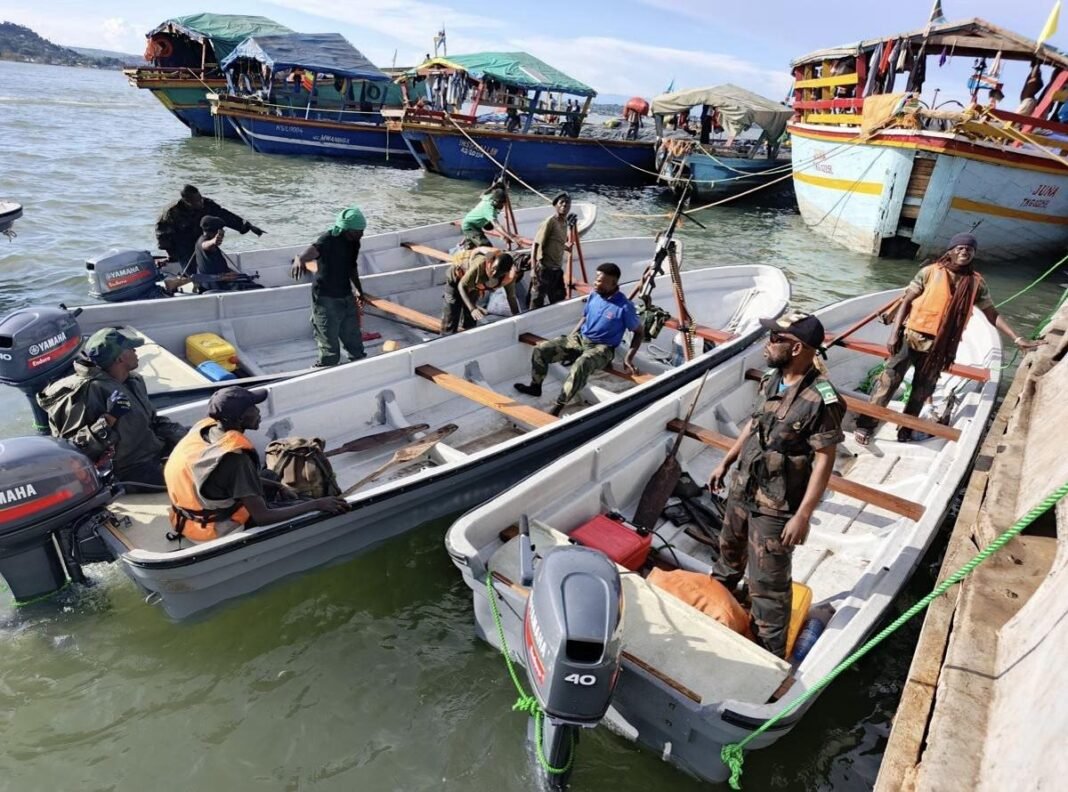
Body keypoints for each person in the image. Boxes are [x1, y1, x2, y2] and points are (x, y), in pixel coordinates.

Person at [707, 312, 845, 658]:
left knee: (768, 585)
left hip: (777, 505)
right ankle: (712, 616)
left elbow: (825, 459)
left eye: (774, 340)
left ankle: (767, 654)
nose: (767, 346)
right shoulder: (772, 378)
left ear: (796, 347)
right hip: (743, 488)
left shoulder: (823, 399)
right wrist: (725, 461)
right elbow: (754, 426)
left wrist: (803, 515)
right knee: (727, 559)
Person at [854, 233, 1041, 445]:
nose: (964, 251)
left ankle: (906, 428)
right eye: (960, 248)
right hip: (912, 337)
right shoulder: (930, 272)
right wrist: (894, 333)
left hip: (940, 346)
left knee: (922, 390)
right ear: (950, 251)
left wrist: (1017, 338)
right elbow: (906, 301)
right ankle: (865, 424)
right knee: (889, 381)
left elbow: (991, 313)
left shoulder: (976, 283)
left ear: (973, 254)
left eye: (969, 249)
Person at [164, 386, 349, 543]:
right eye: (252, 407)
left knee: (270, 476)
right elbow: (263, 517)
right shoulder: (235, 458)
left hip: (186, 517)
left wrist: (278, 486)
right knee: (309, 504)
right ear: (239, 418)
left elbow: (227, 478)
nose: (259, 411)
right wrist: (317, 504)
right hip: (213, 528)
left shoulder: (208, 430)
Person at [37, 328, 188, 489]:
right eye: (130, 348)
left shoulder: (133, 380)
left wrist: (185, 437)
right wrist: (109, 419)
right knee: (196, 477)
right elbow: (73, 452)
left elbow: (152, 421)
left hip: (152, 449)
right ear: (120, 358)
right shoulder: (86, 392)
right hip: (127, 470)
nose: (135, 351)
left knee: (209, 448)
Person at [514, 262, 643, 416]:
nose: (595, 283)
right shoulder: (595, 295)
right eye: (596, 279)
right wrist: (571, 336)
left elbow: (639, 333)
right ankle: (535, 387)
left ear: (613, 283)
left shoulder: (624, 307)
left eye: (600, 281)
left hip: (603, 348)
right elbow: (585, 317)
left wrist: (628, 359)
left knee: (581, 365)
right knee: (542, 349)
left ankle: (558, 406)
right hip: (581, 339)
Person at [290, 206, 369, 368]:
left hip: (346, 294)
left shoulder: (354, 242)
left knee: (353, 336)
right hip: (325, 298)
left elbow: (351, 266)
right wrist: (299, 259)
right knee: (328, 340)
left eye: (362, 230)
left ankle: (359, 362)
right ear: (346, 229)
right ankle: (327, 367)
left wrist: (359, 290)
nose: (362, 234)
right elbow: (311, 252)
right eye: (358, 231)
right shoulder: (328, 239)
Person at [155, 185, 264, 268]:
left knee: (217, 266)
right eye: (196, 202)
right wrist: (171, 255)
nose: (200, 203)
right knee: (192, 270)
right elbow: (162, 235)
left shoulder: (207, 204)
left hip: (202, 240)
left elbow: (225, 215)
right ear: (186, 201)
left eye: (200, 199)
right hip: (182, 245)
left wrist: (247, 226)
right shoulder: (171, 213)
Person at [441, 247, 519, 334]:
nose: (493, 273)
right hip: (457, 280)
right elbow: (461, 286)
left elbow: (511, 297)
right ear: (492, 263)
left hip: (474, 286)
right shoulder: (480, 264)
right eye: (493, 269)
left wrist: (518, 317)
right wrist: (472, 309)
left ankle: (468, 338)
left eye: (498, 274)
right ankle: (447, 335)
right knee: (452, 312)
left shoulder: (507, 278)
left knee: (471, 319)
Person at [529, 192, 572, 309]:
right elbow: (536, 244)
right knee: (537, 300)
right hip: (544, 269)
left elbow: (556, 241)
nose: (564, 205)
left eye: (567, 203)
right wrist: (533, 269)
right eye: (561, 202)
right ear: (555, 205)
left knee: (559, 298)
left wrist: (565, 247)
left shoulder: (565, 223)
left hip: (557, 269)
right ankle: (532, 322)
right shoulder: (550, 222)